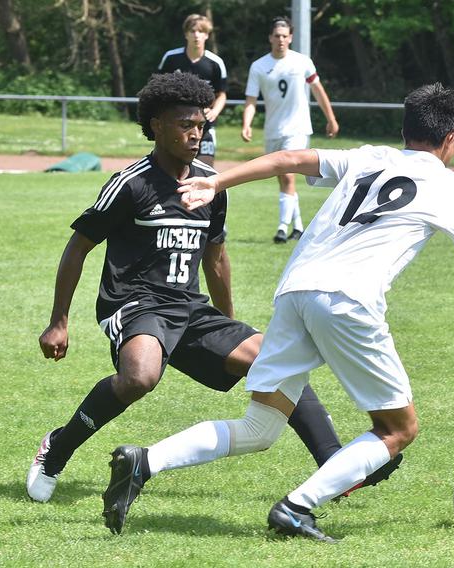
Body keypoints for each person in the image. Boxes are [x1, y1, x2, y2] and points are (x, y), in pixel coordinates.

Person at [101, 83, 454, 541]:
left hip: (295, 292)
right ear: (452, 139)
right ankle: (298, 507)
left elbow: (285, 160)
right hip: (348, 301)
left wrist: (215, 180)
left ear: (405, 129)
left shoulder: (370, 156)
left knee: (260, 426)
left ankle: (145, 460)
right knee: (398, 429)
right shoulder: (450, 187)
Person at [26, 72, 390, 506]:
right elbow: (78, 246)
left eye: (200, 125)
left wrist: (229, 323)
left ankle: (332, 462)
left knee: (274, 358)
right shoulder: (132, 184)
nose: (195, 133)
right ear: (156, 125)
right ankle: (56, 451)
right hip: (136, 303)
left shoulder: (210, 184)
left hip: (190, 308)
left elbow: (216, 258)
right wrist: (58, 322)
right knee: (140, 377)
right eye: (184, 124)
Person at [241, 16, 339, 244]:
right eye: (277, 36)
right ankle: (298, 227)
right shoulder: (259, 66)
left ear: (291, 38)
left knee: (287, 175)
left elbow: (318, 90)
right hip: (272, 130)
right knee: (283, 179)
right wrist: (246, 123)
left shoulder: (302, 62)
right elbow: (251, 101)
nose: (281, 40)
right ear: (270, 38)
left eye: (285, 36)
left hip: (297, 129)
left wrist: (331, 118)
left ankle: (282, 229)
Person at [157, 13, 227, 167]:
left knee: (206, 171)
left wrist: (215, 111)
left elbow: (221, 95)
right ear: (186, 34)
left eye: (201, 31)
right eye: (192, 31)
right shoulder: (171, 58)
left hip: (206, 127)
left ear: (207, 35)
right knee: (172, 170)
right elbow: (158, 89)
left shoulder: (215, 63)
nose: (196, 35)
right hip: (175, 126)